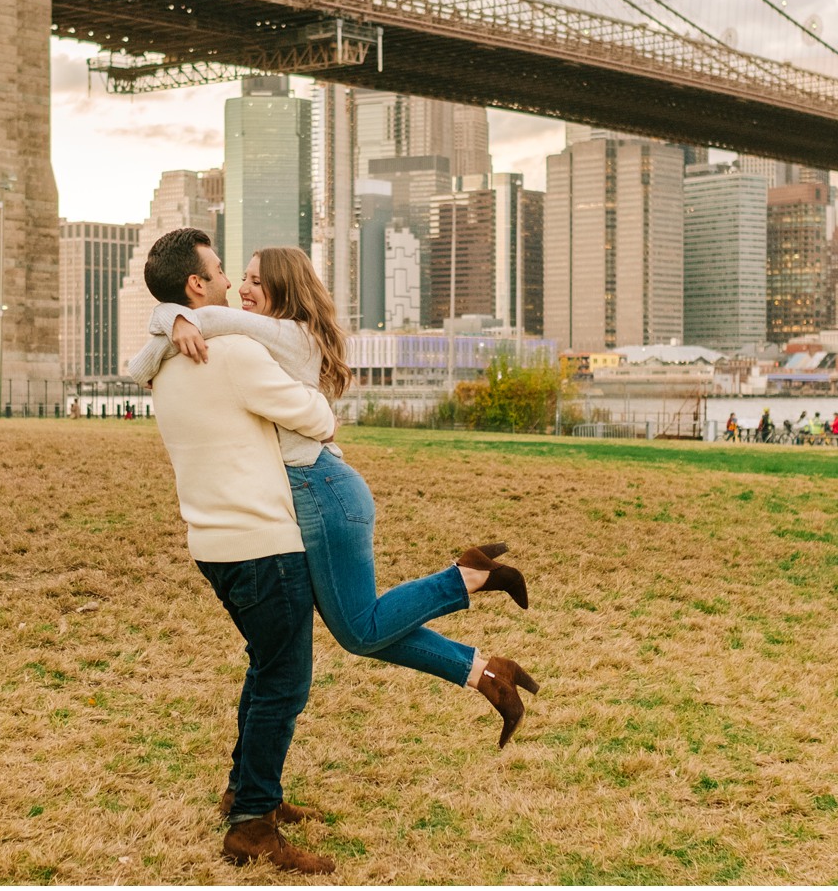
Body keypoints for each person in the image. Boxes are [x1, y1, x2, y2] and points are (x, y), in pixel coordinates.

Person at [131, 241, 538, 754]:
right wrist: (175, 323)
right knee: (358, 627)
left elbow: (203, 322)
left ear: (284, 287)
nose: (241, 286)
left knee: (360, 630)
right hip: (314, 488)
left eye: (257, 280)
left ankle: (468, 576)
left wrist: (176, 318)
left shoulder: (286, 335)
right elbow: (147, 363)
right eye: (238, 276)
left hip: (320, 487)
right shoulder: (263, 337)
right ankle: (485, 673)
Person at [140, 227, 341, 873]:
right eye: (222, 271)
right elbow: (320, 420)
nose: (232, 283)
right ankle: (253, 823)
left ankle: (249, 791)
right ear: (197, 286)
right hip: (265, 545)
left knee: (264, 669)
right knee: (284, 682)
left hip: (213, 546)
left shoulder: (163, 364)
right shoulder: (237, 354)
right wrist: (311, 394)